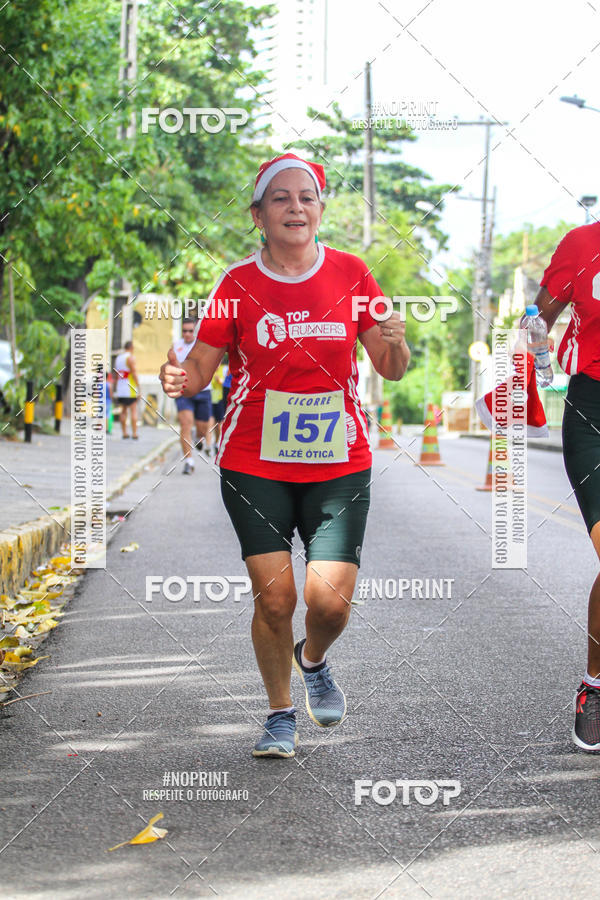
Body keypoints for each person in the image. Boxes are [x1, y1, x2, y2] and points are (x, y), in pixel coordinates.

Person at [160, 152, 410, 758]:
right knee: (275, 598)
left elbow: (390, 367)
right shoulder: (235, 286)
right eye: (281, 198)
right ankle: (278, 715)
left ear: (321, 210)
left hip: (339, 462)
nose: (295, 207)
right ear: (258, 214)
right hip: (254, 461)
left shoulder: (353, 274)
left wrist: (398, 343)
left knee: (328, 602)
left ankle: (314, 658)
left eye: (307, 197)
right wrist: (179, 379)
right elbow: (200, 366)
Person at [533, 220, 600, 751]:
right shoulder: (582, 244)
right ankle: (595, 686)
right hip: (593, 409)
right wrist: (536, 352)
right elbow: (539, 317)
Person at [173, 318, 212, 473]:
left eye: (190, 331)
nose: (187, 334)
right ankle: (189, 462)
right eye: (185, 331)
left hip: (203, 391)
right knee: (185, 424)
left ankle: (198, 436)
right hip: (184, 392)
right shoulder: (176, 347)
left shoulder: (204, 346)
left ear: (195, 331)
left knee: (203, 429)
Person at [114, 340, 139, 439]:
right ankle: (134, 433)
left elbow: (117, 374)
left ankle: (124, 433)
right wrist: (139, 386)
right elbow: (134, 373)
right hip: (130, 387)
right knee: (133, 410)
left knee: (123, 411)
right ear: (131, 348)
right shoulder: (130, 358)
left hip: (121, 388)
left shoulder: (118, 358)